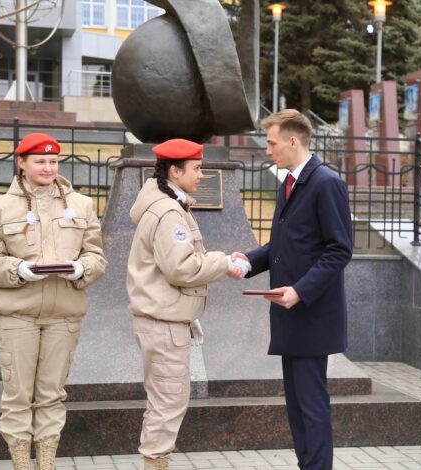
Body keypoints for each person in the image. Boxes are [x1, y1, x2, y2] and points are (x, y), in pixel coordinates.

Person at [0, 133, 106, 470]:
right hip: (18, 315)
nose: (48, 167)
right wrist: (17, 269)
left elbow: (96, 256)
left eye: (53, 161)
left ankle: (46, 463)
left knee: (51, 394)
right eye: (40, 161)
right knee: (17, 396)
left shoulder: (81, 205)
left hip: (64, 315)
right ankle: (21, 463)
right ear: (22, 163)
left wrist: (82, 268)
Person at [234, 109, 353, 470]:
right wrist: (248, 261)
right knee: (298, 407)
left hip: (311, 314)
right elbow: (284, 245)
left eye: (272, 143)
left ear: (293, 140)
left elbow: (339, 250)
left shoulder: (325, 183)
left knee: (311, 405)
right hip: (291, 314)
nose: (268, 150)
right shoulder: (289, 182)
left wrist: (300, 291)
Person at [125, 138, 248, 470]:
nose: (202, 175)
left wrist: (221, 261)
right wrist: (223, 262)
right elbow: (182, 268)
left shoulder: (169, 205)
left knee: (166, 399)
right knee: (168, 402)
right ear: (175, 171)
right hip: (163, 324)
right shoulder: (168, 212)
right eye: (196, 168)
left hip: (165, 321)